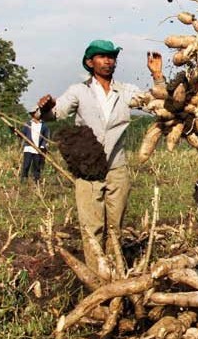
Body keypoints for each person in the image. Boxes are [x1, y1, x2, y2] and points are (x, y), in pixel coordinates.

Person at [38, 39, 164, 266]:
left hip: (117, 168)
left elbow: (156, 102)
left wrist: (157, 76)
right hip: (89, 171)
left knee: (115, 228)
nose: (108, 61)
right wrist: (45, 107)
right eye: (102, 56)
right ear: (90, 62)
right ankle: (97, 276)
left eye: (112, 57)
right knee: (92, 228)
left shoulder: (125, 92)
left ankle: (114, 273)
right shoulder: (79, 91)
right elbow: (56, 113)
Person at [18, 108, 50, 183]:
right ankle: (23, 180)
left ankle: (36, 181)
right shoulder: (28, 124)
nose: (38, 113)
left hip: (38, 149)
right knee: (26, 165)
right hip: (28, 148)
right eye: (36, 112)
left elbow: (46, 138)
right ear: (33, 114)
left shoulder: (44, 125)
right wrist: (17, 133)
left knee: (37, 166)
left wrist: (43, 146)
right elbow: (22, 134)